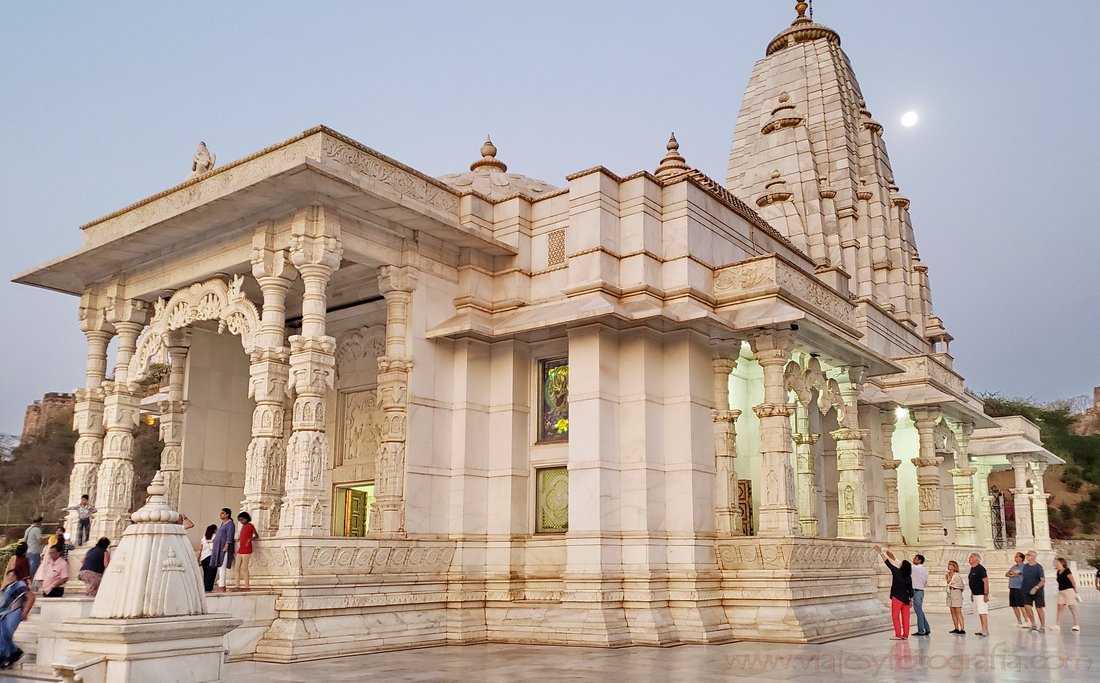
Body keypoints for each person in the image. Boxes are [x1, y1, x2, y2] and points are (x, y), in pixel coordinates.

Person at [875, 545, 913, 640]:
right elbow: (911, 589)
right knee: (906, 618)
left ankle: (898, 634)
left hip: (897, 597)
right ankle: (905, 635)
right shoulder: (909, 577)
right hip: (906, 599)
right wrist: (911, 599)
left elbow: (887, 563)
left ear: (903, 566)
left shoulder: (896, 572)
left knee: (895, 616)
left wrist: (880, 552)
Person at [0, 569, 34, 669]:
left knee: (7, 634)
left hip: (14, 611)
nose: (10, 577)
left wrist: (25, 611)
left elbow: (31, 597)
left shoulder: (20, 585)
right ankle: (13, 652)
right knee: (2, 634)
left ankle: (8, 655)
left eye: (12, 575)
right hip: (3, 613)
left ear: (16, 576)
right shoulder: (7, 587)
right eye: (8, 575)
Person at [211, 508, 236, 593]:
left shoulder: (230, 524)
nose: (220, 515)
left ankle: (222, 586)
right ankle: (220, 584)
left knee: (222, 566)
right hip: (218, 547)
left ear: (227, 514)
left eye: (222, 513)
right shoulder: (223, 524)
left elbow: (230, 535)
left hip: (224, 547)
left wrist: (227, 545)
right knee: (219, 566)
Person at [1052, 557, 1081, 632]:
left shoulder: (1067, 570)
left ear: (1062, 563)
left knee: (1071, 607)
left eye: (1058, 562)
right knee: (1059, 608)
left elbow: (1072, 581)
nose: (1056, 563)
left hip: (1069, 590)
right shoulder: (1058, 572)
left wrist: (1075, 591)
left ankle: (1076, 624)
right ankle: (1057, 625)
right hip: (1061, 591)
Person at [1021, 549, 1046, 632]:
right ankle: (1033, 624)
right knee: (1027, 607)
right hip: (1026, 590)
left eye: (1029, 555)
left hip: (1037, 590)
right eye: (1027, 555)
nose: (1027, 556)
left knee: (1039, 608)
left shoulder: (1039, 567)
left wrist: (1036, 588)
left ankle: (1042, 626)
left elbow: (1042, 580)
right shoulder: (1024, 566)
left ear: (1034, 557)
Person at [967, 552, 990, 636]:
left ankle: (985, 629)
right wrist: (972, 593)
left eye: (971, 557)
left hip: (981, 594)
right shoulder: (972, 569)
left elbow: (985, 581)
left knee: (983, 611)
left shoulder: (980, 569)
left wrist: (986, 594)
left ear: (976, 559)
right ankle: (983, 628)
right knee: (980, 611)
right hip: (975, 593)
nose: (969, 558)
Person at [235, 512, 257, 592]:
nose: (241, 521)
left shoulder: (250, 526)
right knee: (237, 568)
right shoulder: (243, 527)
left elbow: (256, 536)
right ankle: (237, 585)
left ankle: (246, 586)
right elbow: (242, 535)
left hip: (247, 549)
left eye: (242, 519)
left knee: (244, 567)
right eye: (240, 520)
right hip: (241, 548)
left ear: (247, 519)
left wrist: (250, 539)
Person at [1005, 552, 1028, 627]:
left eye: (1017, 556)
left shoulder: (1023, 566)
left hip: (1019, 588)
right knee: (1014, 605)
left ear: (1021, 558)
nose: (1016, 558)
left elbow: (1015, 573)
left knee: (1021, 605)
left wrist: (1012, 574)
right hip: (1012, 587)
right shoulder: (1014, 566)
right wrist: (1011, 573)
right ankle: (1019, 621)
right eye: (1015, 556)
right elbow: (1007, 574)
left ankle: (1026, 621)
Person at [910, 553, 930, 636]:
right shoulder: (925, 570)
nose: (913, 559)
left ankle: (921, 630)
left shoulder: (913, 567)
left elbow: (902, 564)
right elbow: (925, 582)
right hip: (921, 591)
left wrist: (893, 558)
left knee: (918, 611)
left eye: (915, 558)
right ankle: (927, 628)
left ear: (919, 560)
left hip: (916, 591)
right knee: (919, 611)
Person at [946, 560, 966, 634]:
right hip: (950, 592)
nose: (949, 566)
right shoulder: (947, 574)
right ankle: (956, 628)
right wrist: (949, 575)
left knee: (958, 611)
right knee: (952, 611)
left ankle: (962, 628)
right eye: (949, 564)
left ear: (954, 566)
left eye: (951, 565)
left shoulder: (957, 575)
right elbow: (948, 582)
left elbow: (961, 585)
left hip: (956, 592)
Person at [197, 524, 217, 593]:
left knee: (206, 573)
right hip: (211, 556)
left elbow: (200, 549)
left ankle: (205, 587)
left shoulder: (204, 538)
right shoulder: (215, 536)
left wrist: (198, 559)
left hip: (203, 558)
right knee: (211, 573)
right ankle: (208, 588)